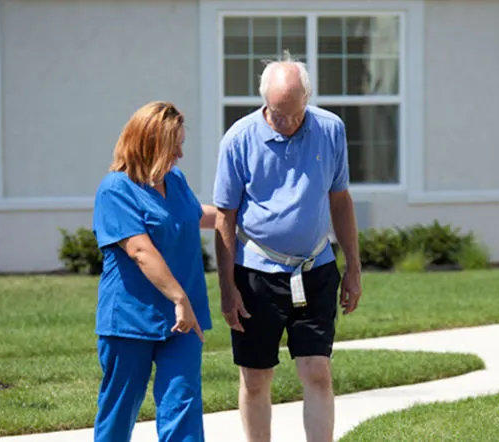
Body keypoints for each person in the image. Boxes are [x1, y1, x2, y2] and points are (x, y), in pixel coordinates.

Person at [212, 52, 363, 442]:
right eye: (278, 115)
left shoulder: (330, 130)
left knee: (316, 369)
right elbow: (224, 217)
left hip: (315, 269)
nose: (286, 123)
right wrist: (228, 288)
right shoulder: (238, 139)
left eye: (294, 114)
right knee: (257, 377)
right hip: (256, 274)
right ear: (264, 101)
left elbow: (340, 199)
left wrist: (354, 269)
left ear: (307, 100)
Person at [91, 101, 218, 442]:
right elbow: (139, 250)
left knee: (183, 407)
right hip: (132, 320)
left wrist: (245, 216)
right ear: (151, 144)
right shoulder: (115, 190)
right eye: (173, 143)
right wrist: (179, 297)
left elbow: (195, 215)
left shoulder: (174, 181)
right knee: (120, 411)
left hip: (183, 319)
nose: (180, 152)